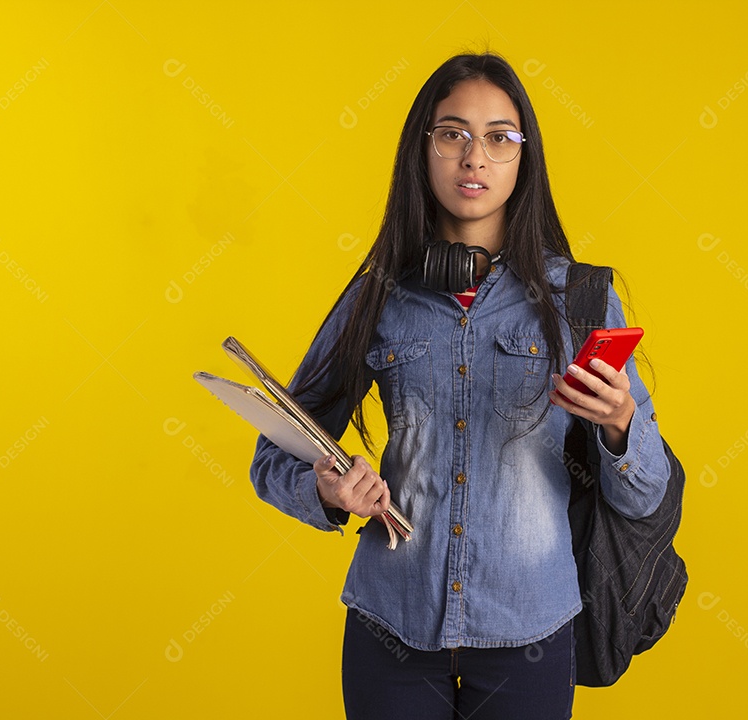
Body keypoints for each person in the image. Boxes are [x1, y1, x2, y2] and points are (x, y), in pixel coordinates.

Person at [249, 51, 672, 720]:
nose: (474, 157)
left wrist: (620, 425)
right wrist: (328, 491)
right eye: (453, 134)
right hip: (391, 626)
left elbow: (645, 494)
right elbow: (271, 457)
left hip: (531, 632)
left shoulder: (579, 300)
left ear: (524, 159)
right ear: (423, 150)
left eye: (499, 137)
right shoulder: (379, 295)